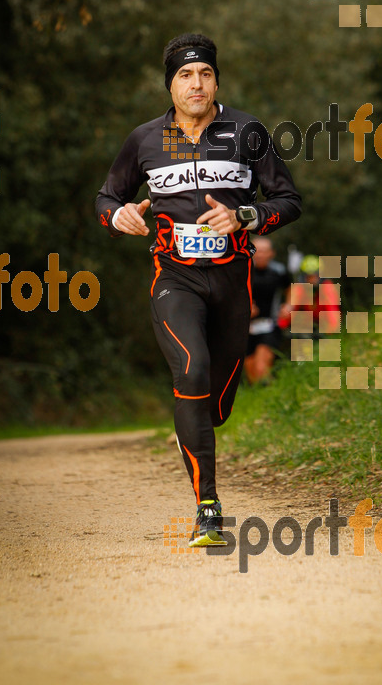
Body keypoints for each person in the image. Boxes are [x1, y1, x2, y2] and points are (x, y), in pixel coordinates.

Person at [95, 33, 301, 546]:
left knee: (214, 405)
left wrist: (245, 215)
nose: (196, 84)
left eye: (205, 74)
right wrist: (117, 215)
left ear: (216, 81)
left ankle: (202, 422)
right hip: (175, 279)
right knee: (192, 370)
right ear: (170, 85)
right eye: (185, 75)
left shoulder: (246, 131)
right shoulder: (144, 140)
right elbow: (107, 197)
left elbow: (288, 200)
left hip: (232, 282)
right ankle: (208, 508)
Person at [244, 237, 291, 383]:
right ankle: (269, 397)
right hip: (245, 327)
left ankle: (277, 396)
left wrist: (289, 305)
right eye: (256, 251)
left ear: (272, 253)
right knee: (252, 374)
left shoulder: (279, 271)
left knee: (261, 368)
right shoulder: (241, 270)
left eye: (264, 251)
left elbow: (292, 289)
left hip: (270, 324)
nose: (260, 255)